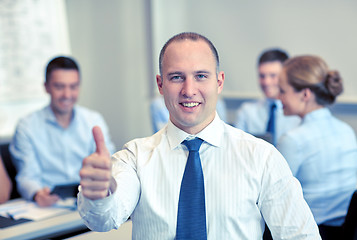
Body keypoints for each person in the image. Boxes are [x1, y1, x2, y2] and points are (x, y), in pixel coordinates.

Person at [77, 32, 321, 239]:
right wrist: (99, 194)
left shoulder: (262, 157)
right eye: (176, 77)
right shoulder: (135, 157)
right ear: (161, 85)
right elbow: (103, 220)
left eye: (201, 76)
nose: (189, 90)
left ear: (219, 81)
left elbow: (301, 236)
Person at [9, 56, 115, 207]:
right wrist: (37, 194)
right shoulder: (27, 126)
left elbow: (110, 165)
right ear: (46, 87)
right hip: (49, 206)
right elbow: (27, 176)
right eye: (59, 87)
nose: (67, 95)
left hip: (90, 201)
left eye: (73, 86)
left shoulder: (94, 121)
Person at [277, 55, 357, 239]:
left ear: (305, 94)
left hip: (311, 233)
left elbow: (275, 198)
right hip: (346, 232)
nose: (278, 96)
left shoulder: (293, 139)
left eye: (282, 90)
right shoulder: (347, 130)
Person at [235, 49, 300, 145]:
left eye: (273, 76)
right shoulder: (247, 112)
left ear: (286, 76)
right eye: (262, 76)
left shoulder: (297, 114)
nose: (266, 82)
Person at [150, 95, 227, 133]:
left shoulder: (217, 103)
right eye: (177, 77)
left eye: (200, 76)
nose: (189, 92)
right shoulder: (158, 105)